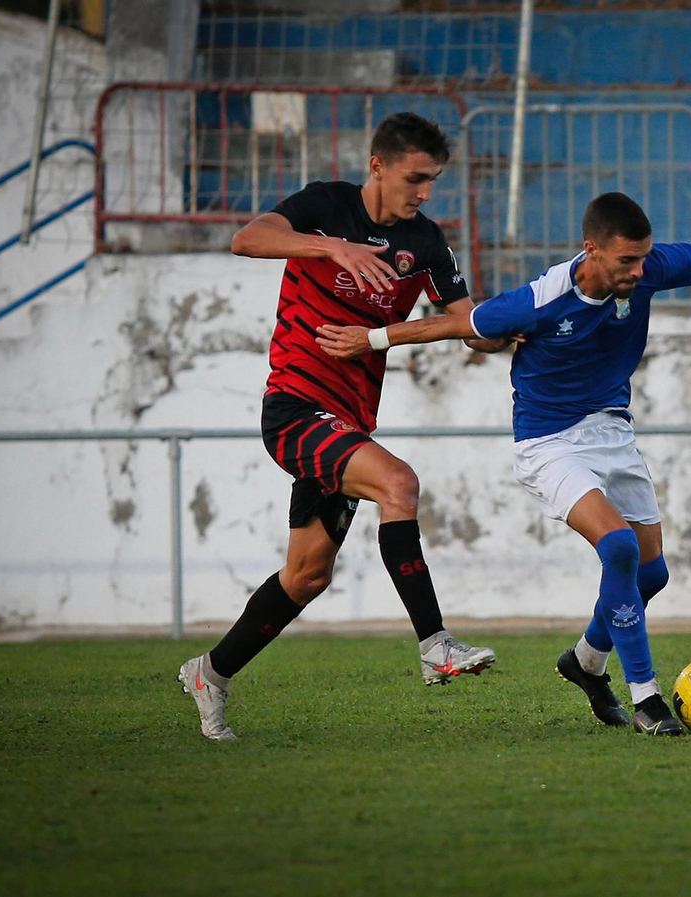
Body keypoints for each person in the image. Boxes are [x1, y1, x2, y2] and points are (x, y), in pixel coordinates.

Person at [317, 191, 691, 735]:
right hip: (549, 442)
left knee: (652, 575)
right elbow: (454, 325)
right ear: (591, 250)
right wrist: (371, 339)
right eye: (627, 261)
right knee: (618, 548)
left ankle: (586, 661)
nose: (639, 271)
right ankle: (646, 698)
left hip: (613, 432)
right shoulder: (542, 299)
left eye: (643, 258)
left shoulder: (650, 267)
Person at [178, 112, 501, 741]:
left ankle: (209, 674)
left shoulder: (426, 244)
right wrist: (331, 246)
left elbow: (468, 325)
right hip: (295, 410)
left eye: (433, 181)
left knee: (307, 576)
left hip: (346, 425)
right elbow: (246, 239)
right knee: (399, 484)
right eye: (414, 179)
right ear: (377, 166)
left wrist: (514, 324)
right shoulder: (325, 206)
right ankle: (435, 645)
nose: (425, 192)